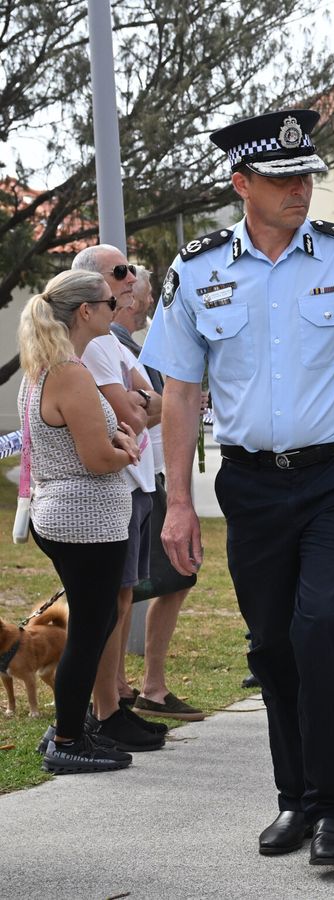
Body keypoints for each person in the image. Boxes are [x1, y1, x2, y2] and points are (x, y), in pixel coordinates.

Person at [140, 109, 334, 866]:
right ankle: (295, 798)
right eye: (283, 178)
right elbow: (178, 391)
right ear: (243, 184)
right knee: (272, 643)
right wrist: (177, 501)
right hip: (251, 486)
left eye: (306, 176)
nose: (301, 189)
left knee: (323, 626)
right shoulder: (197, 271)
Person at [16, 269, 143, 773]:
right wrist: (127, 449)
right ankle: (68, 738)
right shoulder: (69, 372)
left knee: (97, 621)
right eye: (111, 302)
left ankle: (70, 723)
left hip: (65, 513)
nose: (119, 309)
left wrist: (114, 446)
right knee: (91, 628)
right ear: (86, 312)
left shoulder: (44, 368)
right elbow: (96, 458)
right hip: (84, 519)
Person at [72, 246, 168, 753]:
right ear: (91, 290)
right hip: (112, 489)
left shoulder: (113, 342)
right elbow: (136, 415)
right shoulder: (93, 344)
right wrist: (145, 404)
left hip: (134, 484)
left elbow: (155, 403)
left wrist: (146, 403)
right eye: (121, 272)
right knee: (109, 602)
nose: (131, 278)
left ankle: (111, 703)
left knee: (121, 598)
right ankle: (104, 710)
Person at [114, 268, 205, 719]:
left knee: (167, 579)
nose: (146, 301)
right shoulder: (107, 345)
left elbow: (156, 404)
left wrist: (168, 404)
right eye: (143, 294)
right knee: (133, 585)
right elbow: (137, 413)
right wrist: (172, 405)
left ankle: (138, 687)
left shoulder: (139, 345)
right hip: (134, 482)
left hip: (152, 478)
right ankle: (133, 689)